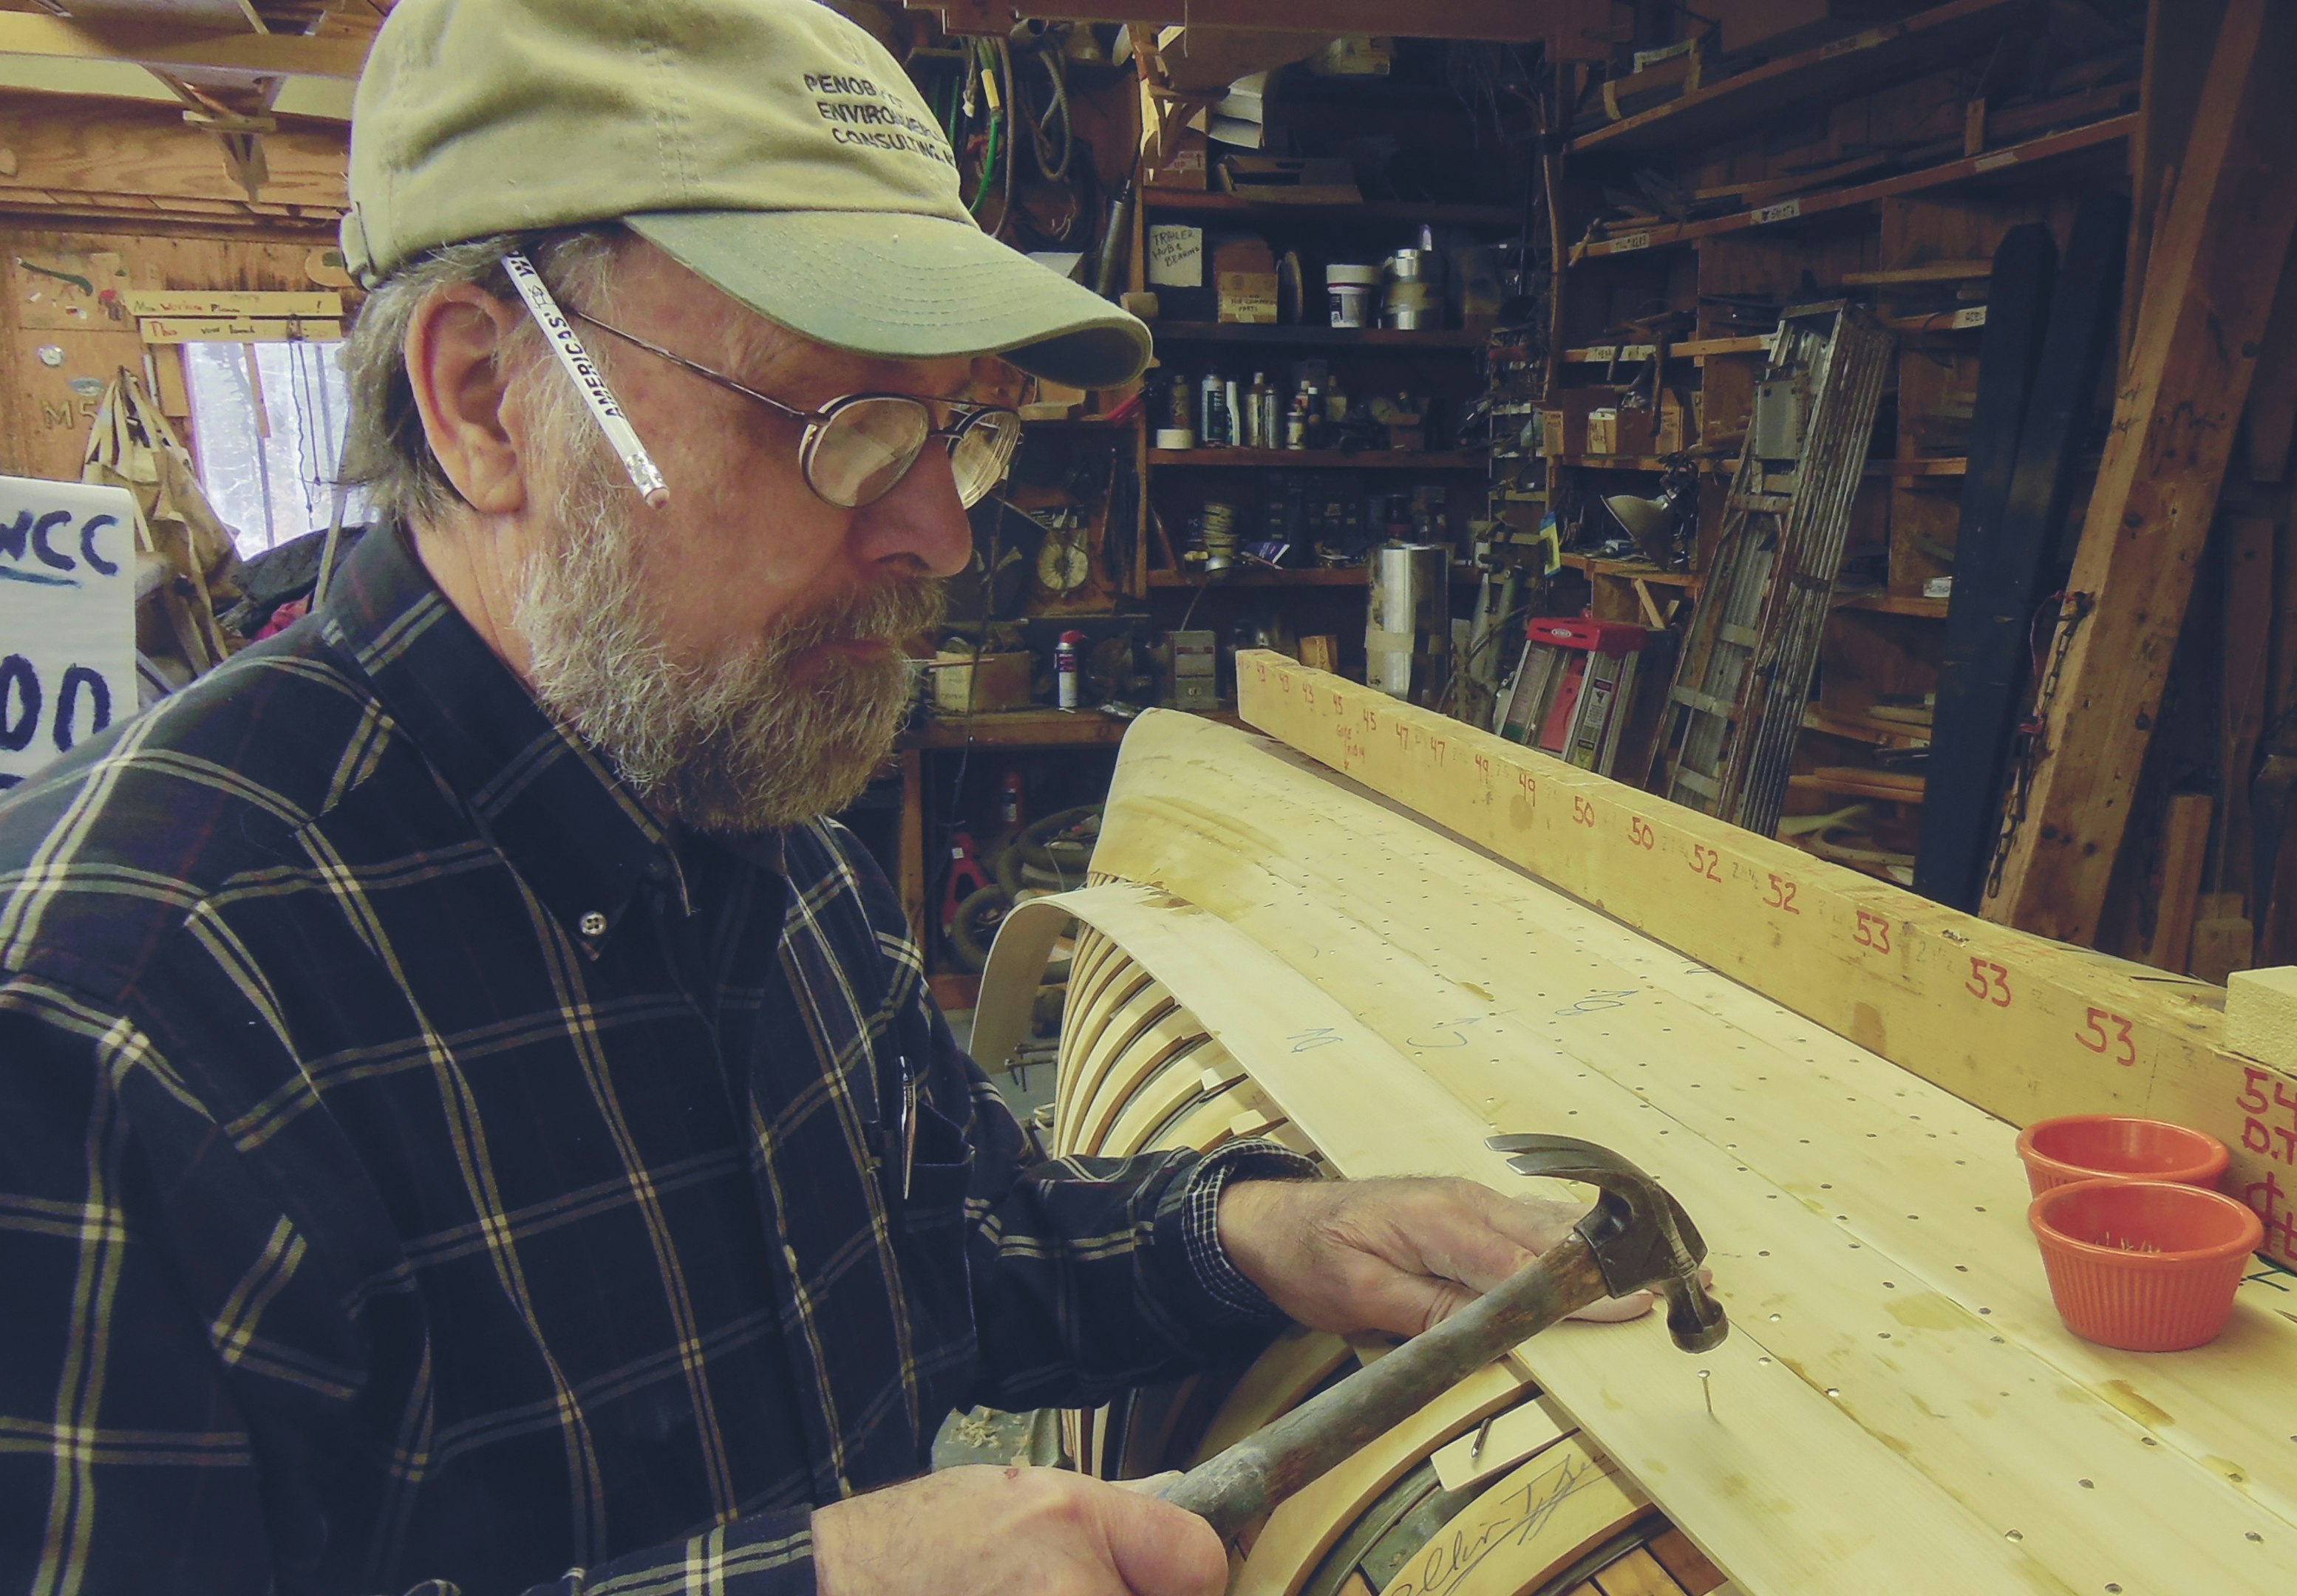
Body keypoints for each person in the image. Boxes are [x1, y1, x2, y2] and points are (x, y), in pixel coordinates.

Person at [0, 2, 1641, 1592]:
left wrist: (1272, 1233)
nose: (943, 532)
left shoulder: (747, 825)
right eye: (848, 424)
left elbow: (948, 1237)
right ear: (486, 402)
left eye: (956, 428)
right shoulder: (111, 1018)